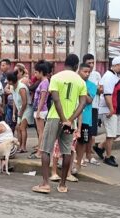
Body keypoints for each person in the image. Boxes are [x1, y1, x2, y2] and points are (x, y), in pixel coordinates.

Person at [31, 54, 87, 194]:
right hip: (70, 120)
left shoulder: (56, 77)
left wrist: (62, 118)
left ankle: (45, 183)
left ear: (64, 64)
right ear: (76, 66)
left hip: (55, 117)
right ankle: (62, 185)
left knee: (46, 149)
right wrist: (69, 119)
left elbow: (56, 100)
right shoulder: (80, 81)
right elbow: (82, 103)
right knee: (67, 151)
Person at [95, 56, 120, 167]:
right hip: (110, 109)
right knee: (111, 134)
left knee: (118, 133)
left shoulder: (115, 76)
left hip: (117, 109)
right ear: (117, 65)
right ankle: (108, 157)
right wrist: (111, 109)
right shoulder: (109, 77)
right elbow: (107, 94)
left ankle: (99, 147)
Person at [74, 63, 97, 174]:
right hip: (73, 117)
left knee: (82, 142)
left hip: (86, 118)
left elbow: (89, 100)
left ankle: (78, 163)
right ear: (79, 71)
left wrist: (83, 88)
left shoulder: (92, 85)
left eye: (89, 72)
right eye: (85, 72)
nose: (87, 74)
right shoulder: (73, 82)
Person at [29, 60, 51, 160]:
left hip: (41, 110)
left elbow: (42, 98)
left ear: (41, 72)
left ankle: (40, 152)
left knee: (41, 132)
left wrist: (38, 111)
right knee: (41, 131)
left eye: (36, 72)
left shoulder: (44, 83)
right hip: (40, 109)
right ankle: (40, 150)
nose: (35, 74)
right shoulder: (44, 82)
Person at [8, 69, 32, 153]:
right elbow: (14, 100)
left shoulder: (21, 87)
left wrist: (20, 114)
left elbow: (25, 102)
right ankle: (19, 146)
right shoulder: (12, 87)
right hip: (20, 109)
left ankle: (23, 147)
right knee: (18, 128)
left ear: (11, 81)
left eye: (8, 80)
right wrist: (14, 113)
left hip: (27, 109)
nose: (7, 82)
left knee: (22, 127)